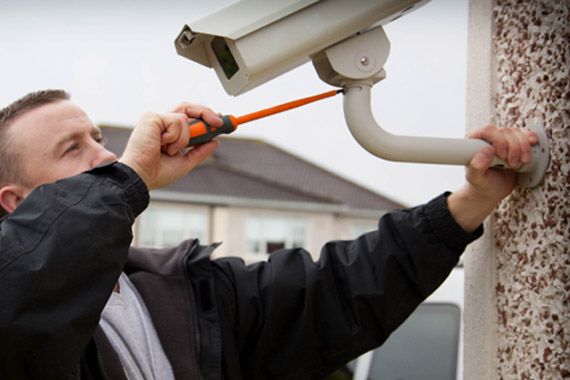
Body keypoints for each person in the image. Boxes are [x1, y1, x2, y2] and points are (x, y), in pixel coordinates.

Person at [0, 89, 537, 380]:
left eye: (98, 138)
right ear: (14, 203)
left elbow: (337, 290)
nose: (107, 157)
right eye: (73, 149)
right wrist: (131, 177)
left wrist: (471, 202)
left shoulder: (186, 289)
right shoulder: (17, 308)